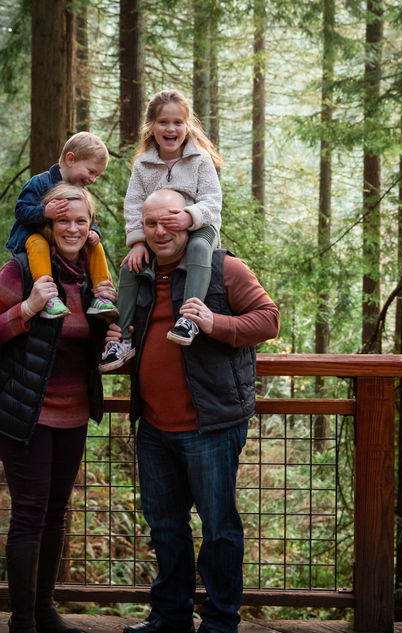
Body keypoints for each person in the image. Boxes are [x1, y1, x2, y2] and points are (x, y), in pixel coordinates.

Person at [109, 189, 280, 633]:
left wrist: (213, 323)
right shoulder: (139, 273)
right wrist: (111, 333)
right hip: (153, 426)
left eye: (169, 220)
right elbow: (129, 338)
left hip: (211, 425)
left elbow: (268, 319)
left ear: (188, 220)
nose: (160, 231)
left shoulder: (224, 268)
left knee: (219, 530)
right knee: (165, 528)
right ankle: (171, 617)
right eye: (150, 223)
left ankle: (220, 622)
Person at [0, 184, 115, 633]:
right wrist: (29, 308)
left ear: (90, 227)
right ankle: (22, 621)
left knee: (57, 511)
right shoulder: (20, 269)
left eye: (81, 221)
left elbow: (92, 343)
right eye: (63, 220)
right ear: (49, 223)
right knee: (30, 510)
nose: (72, 228)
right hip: (25, 409)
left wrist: (112, 332)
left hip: (73, 412)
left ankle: (44, 610)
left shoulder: (94, 276)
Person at [100, 90, 223, 371]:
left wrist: (190, 217)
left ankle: (189, 318)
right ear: (151, 127)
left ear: (187, 126)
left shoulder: (200, 159)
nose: (171, 129)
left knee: (198, 248)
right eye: (163, 122)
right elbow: (134, 205)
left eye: (178, 122)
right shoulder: (144, 165)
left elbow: (213, 202)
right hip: (159, 235)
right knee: (130, 267)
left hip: (199, 229)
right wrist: (138, 242)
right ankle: (123, 340)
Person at [6, 131, 116, 319]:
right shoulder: (40, 183)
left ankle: (101, 295)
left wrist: (94, 232)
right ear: (70, 159)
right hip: (33, 237)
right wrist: (44, 212)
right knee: (39, 244)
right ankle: (48, 297)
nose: (92, 179)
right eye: (91, 171)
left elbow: (90, 218)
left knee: (96, 246)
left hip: (61, 243)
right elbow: (21, 210)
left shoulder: (81, 191)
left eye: (97, 175)